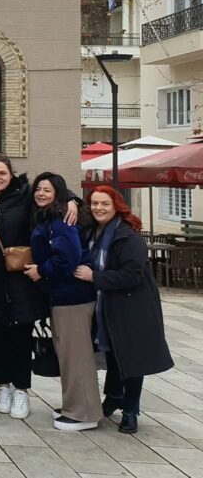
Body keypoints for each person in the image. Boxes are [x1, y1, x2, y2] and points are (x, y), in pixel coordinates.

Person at [0, 153, 80, 421]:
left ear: (11, 174)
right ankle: (3, 386)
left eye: (2, 173)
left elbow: (52, 191)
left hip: (21, 279)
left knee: (21, 337)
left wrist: (72, 200)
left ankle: (22, 389)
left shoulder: (25, 194)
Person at [74, 186, 173, 435]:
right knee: (113, 354)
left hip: (132, 307)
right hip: (107, 304)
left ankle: (131, 410)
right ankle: (113, 397)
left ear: (117, 206)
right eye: (94, 203)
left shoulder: (128, 236)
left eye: (104, 203)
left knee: (131, 358)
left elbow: (132, 275)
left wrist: (95, 277)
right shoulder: (92, 232)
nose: (99, 208)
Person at [25, 172, 99, 431]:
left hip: (72, 298)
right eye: (38, 189)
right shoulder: (50, 217)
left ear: (58, 193)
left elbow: (68, 258)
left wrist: (41, 270)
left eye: (47, 190)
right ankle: (74, 406)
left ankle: (83, 414)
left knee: (76, 356)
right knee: (68, 355)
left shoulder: (61, 220)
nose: (41, 193)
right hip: (63, 297)